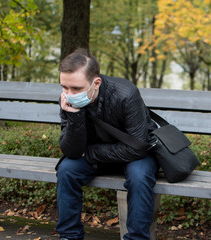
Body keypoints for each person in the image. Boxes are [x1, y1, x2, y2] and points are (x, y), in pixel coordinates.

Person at [55, 48, 158, 240]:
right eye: (64, 87)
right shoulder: (67, 100)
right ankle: (69, 236)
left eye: (76, 89)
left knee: (139, 176)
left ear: (96, 82)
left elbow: (138, 146)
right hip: (98, 155)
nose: (69, 94)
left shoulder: (126, 94)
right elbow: (71, 151)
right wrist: (75, 117)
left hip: (134, 156)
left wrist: (92, 153)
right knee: (67, 169)